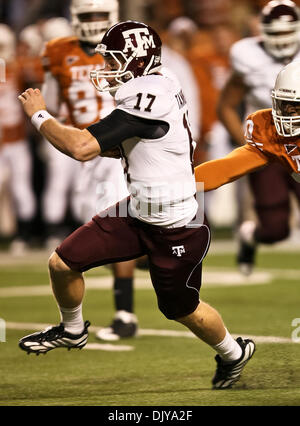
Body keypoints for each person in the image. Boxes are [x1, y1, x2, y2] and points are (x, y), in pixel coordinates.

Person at [18, 20, 255, 390]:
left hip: (176, 223)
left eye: (113, 62)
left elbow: (82, 149)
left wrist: (40, 115)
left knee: (180, 309)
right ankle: (73, 328)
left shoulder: (148, 95)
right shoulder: (156, 84)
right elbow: (129, 141)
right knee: (62, 263)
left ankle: (233, 353)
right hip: (137, 210)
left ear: (136, 61)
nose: (107, 69)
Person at [40, 0, 138, 341]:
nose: (94, 22)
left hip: (113, 145)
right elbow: (52, 102)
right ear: (74, 18)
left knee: (113, 229)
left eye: (100, 15)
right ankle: (157, 251)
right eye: (87, 16)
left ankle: (125, 314)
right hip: (82, 148)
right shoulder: (57, 51)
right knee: (107, 232)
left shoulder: (125, 42)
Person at [218, 0, 300, 275]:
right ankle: (250, 236)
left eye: (286, 33)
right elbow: (226, 106)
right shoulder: (247, 55)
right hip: (270, 145)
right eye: (274, 33)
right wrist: (249, 144)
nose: (281, 40)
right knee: (276, 229)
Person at [0, 23, 37, 255]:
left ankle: (23, 234)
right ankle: (11, 233)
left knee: (22, 188)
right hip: (5, 141)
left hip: (17, 140)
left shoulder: (20, 67)